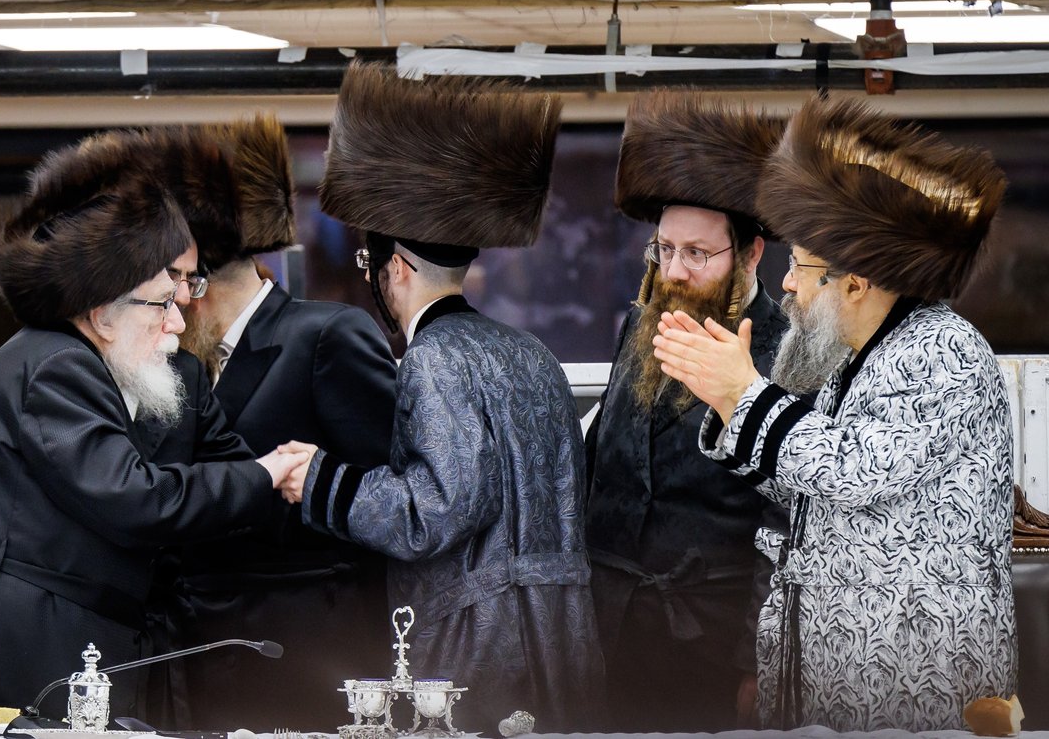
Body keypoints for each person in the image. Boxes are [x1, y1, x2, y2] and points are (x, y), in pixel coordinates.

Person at [0, 133, 307, 730]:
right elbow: (135, 498)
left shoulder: (155, 372)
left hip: (86, 642)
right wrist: (266, 474)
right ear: (101, 313)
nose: (179, 320)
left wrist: (306, 480)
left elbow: (234, 472)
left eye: (183, 293)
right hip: (8, 647)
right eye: (161, 303)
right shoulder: (55, 366)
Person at [651, 95, 1017, 731]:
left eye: (799, 266)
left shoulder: (941, 349)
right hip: (844, 669)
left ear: (855, 283)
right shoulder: (857, 360)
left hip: (915, 674)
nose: (787, 284)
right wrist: (728, 403)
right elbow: (813, 489)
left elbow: (858, 471)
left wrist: (747, 394)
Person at [282, 65, 605, 732]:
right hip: (563, 639)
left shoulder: (432, 357)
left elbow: (434, 512)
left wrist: (317, 479)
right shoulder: (533, 353)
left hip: (477, 651)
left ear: (396, 269)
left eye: (371, 267)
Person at [172, 115, 397, 730]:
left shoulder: (325, 335)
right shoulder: (177, 363)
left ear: (193, 277)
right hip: (197, 656)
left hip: (305, 658)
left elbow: (386, 497)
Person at [584, 90, 789, 730]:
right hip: (611, 630)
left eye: (697, 254)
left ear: (751, 254)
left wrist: (755, 662)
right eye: (664, 249)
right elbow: (604, 467)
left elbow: (785, 525)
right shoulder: (637, 326)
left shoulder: (783, 352)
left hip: (710, 640)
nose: (674, 271)